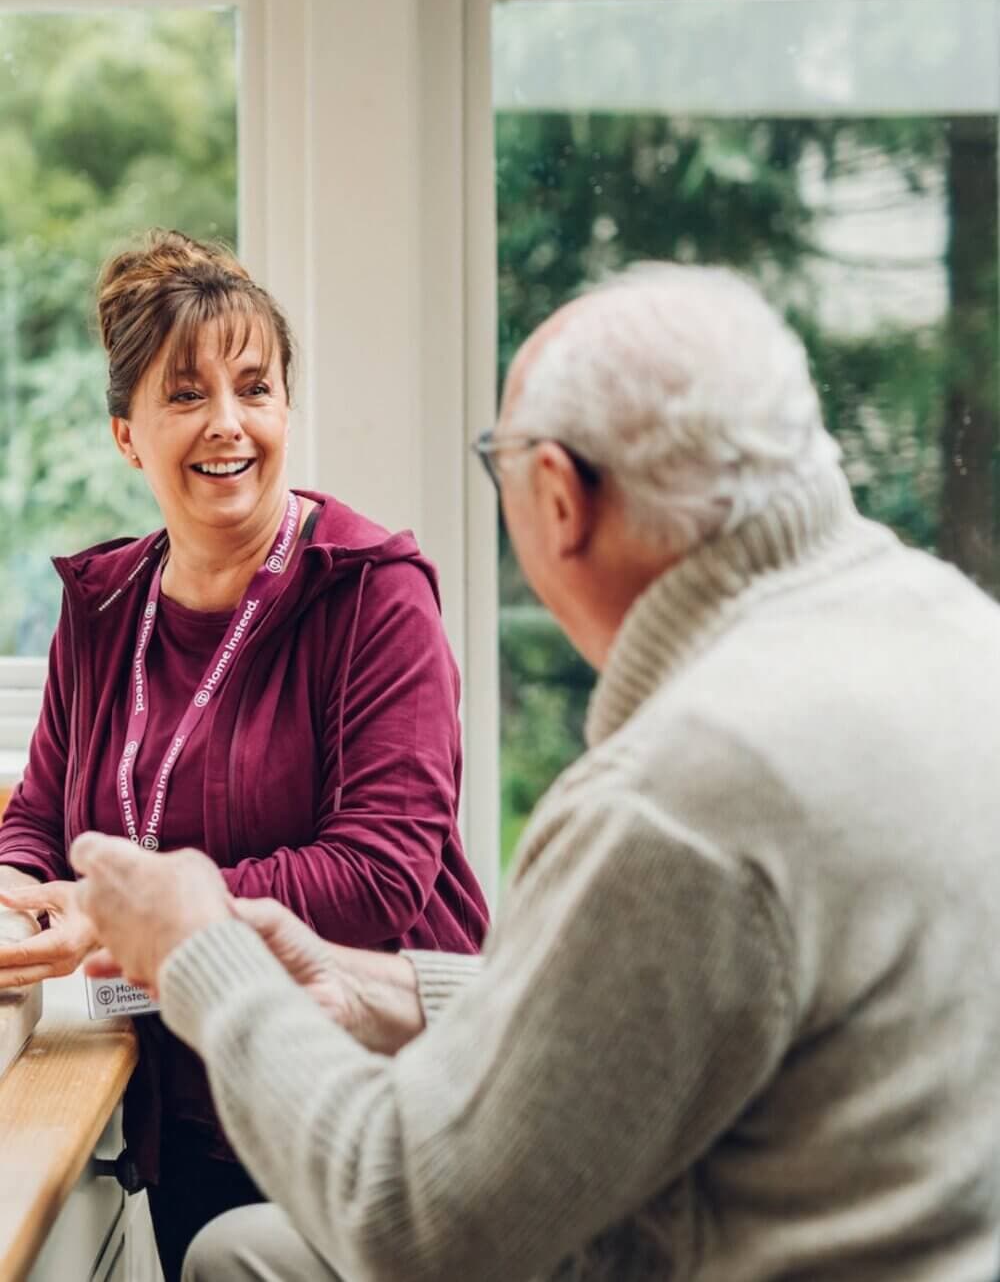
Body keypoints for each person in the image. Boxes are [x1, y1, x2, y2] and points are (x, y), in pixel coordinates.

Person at [62, 261, 1000, 1280]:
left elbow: (411, 1216)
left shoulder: (678, 796)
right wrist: (388, 985)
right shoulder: (960, 633)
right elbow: (658, 1007)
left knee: (234, 1259)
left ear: (555, 493)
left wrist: (206, 956)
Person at [0, 231, 488, 1282]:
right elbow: (41, 811)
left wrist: (145, 917)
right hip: (178, 1101)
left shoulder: (371, 592)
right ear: (129, 434)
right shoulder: (102, 604)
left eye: (254, 387)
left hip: (361, 1089)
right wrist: (16, 886)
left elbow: (377, 876)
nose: (228, 421)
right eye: (186, 393)